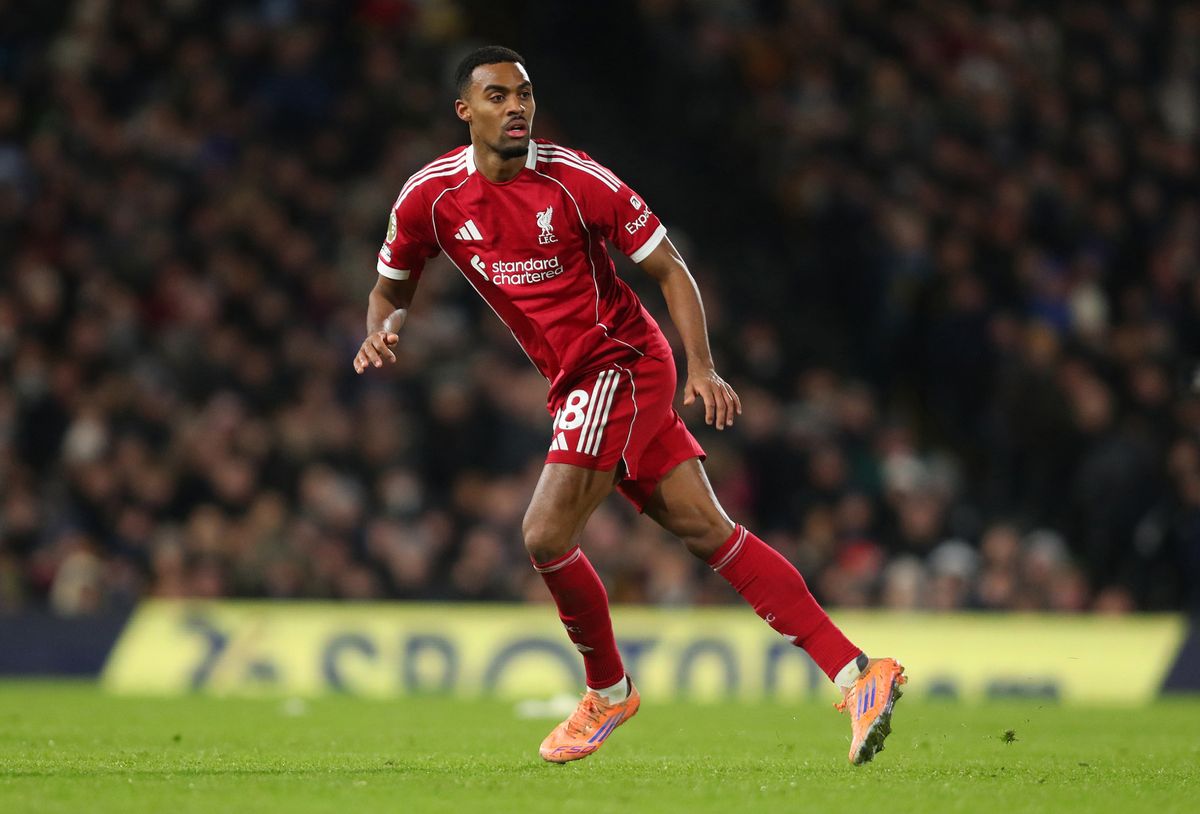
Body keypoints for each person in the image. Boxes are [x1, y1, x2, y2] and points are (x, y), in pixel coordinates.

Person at [354, 45, 905, 765]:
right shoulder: (430, 197)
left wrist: (702, 367)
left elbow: (670, 270)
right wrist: (383, 329)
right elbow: (392, 285)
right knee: (711, 534)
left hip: (619, 363)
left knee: (545, 534)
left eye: (524, 93)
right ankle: (860, 674)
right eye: (497, 96)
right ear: (465, 111)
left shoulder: (578, 181)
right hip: (577, 379)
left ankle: (607, 692)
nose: (516, 106)